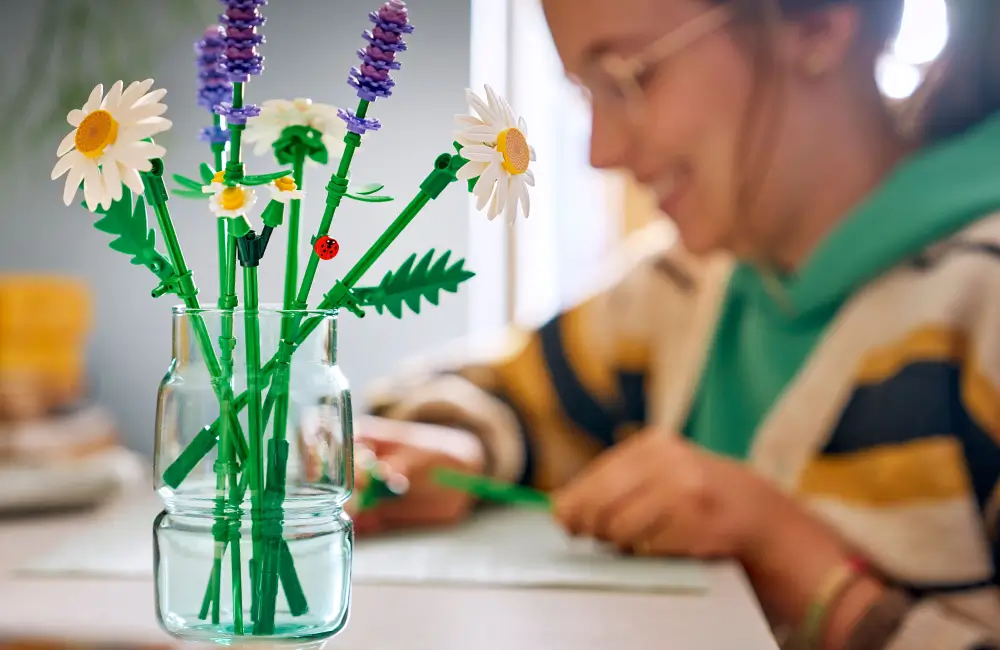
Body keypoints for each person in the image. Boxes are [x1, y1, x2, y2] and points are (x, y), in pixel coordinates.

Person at [350, 0, 1000, 648]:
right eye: (584, 92)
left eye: (629, 75)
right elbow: (501, 394)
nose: (600, 151)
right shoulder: (684, 291)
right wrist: (464, 446)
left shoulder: (980, 309)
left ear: (817, 25)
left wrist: (799, 567)